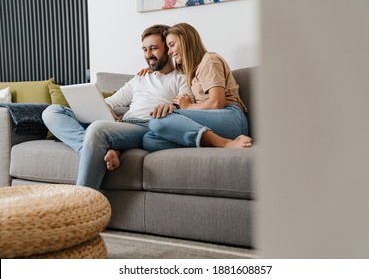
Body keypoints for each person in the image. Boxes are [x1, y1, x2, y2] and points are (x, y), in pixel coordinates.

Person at [42, 24, 192, 189]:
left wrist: (171, 106)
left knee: (97, 129)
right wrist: (104, 108)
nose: (148, 55)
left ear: (168, 49)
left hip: (145, 126)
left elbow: (186, 107)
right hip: (122, 125)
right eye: (144, 49)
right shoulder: (139, 78)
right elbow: (112, 101)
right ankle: (93, 149)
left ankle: (83, 199)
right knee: (52, 111)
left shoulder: (181, 79)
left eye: (154, 48)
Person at [142, 22, 252, 152]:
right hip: (211, 121)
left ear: (185, 41)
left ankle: (225, 143)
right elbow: (170, 71)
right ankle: (208, 141)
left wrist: (188, 106)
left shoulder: (209, 60)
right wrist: (153, 70)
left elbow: (217, 103)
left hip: (231, 117)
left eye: (172, 45)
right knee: (149, 140)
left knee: (159, 120)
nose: (170, 52)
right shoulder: (191, 71)